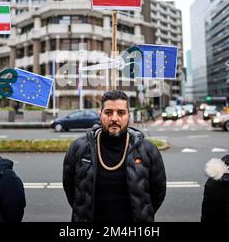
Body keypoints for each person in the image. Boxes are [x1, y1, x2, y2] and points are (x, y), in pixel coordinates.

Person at [63, 90, 166, 222]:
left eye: (121, 113)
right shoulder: (79, 148)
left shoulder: (148, 150)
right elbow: (71, 191)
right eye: (108, 112)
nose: (114, 118)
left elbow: (158, 193)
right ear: (100, 115)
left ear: (129, 115)